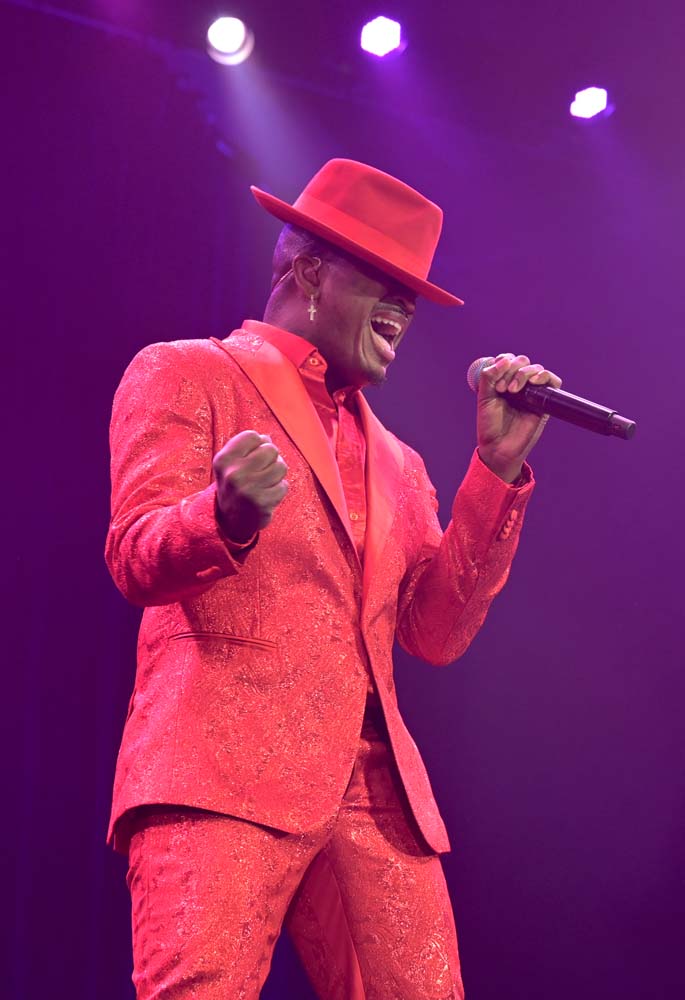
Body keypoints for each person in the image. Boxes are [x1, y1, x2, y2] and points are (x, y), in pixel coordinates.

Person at [105, 158, 562, 999]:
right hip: (221, 772)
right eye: (382, 283)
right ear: (308, 272)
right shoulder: (186, 372)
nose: (402, 310)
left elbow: (432, 633)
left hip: (376, 794)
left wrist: (494, 471)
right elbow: (135, 555)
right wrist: (224, 517)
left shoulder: (400, 463)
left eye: (412, 296)